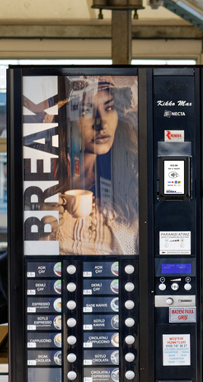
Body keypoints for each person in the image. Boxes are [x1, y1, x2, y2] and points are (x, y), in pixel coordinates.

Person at [52, 76, 139, 255]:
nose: (102, 123)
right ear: (68, 121)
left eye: (109, 108)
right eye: (86, 111)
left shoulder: (133, 179)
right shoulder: (46, 178)